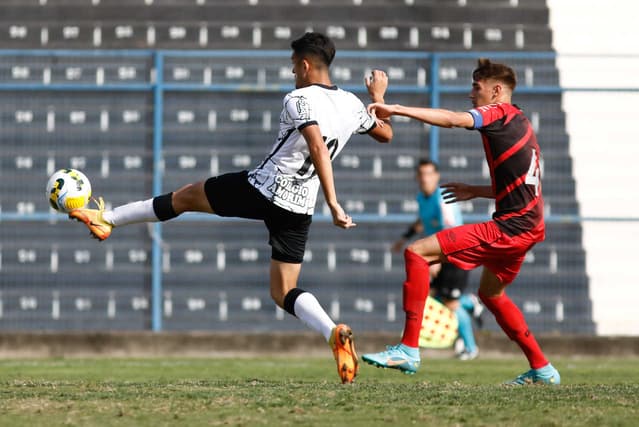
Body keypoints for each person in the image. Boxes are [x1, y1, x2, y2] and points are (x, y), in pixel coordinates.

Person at [69, 32, 393, 384]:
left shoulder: (297, 99)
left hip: (264, 188)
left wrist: (334, 202)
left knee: (186, 196)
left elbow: (315, 144)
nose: (292, 74)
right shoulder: (350, 104)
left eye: (292, 67)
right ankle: (333, 333)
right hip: (299, 207)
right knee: (283, 291)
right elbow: (385, 134)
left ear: (304, 65)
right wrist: (376, 98)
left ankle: (107, 220)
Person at [362, 58, 561, 385]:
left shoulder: (497, 113)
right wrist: (477, 190)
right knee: (491, 295)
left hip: (509, 228)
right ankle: (543, 369)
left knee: (416, 253)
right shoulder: (520, 122)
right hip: (529, 227)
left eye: (476, 87)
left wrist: (394, 108)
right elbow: (521, 185)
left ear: (496, 91)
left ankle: (409, 350)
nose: (471, 93)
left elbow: (453, 120)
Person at [392, 158, 480, 361]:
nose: (425, 178)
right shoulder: (422, 198)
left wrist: (438, 260)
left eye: (429, 174)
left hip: (456, 255)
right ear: (417, 177)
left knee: (450, 305)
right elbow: (422, 221)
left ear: (437, 176)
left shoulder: (442, 199)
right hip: (439, 254)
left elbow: (450, 230)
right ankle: (470, 303)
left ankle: (470, 347)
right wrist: (404, 239)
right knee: (433, 298)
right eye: (421, 174)